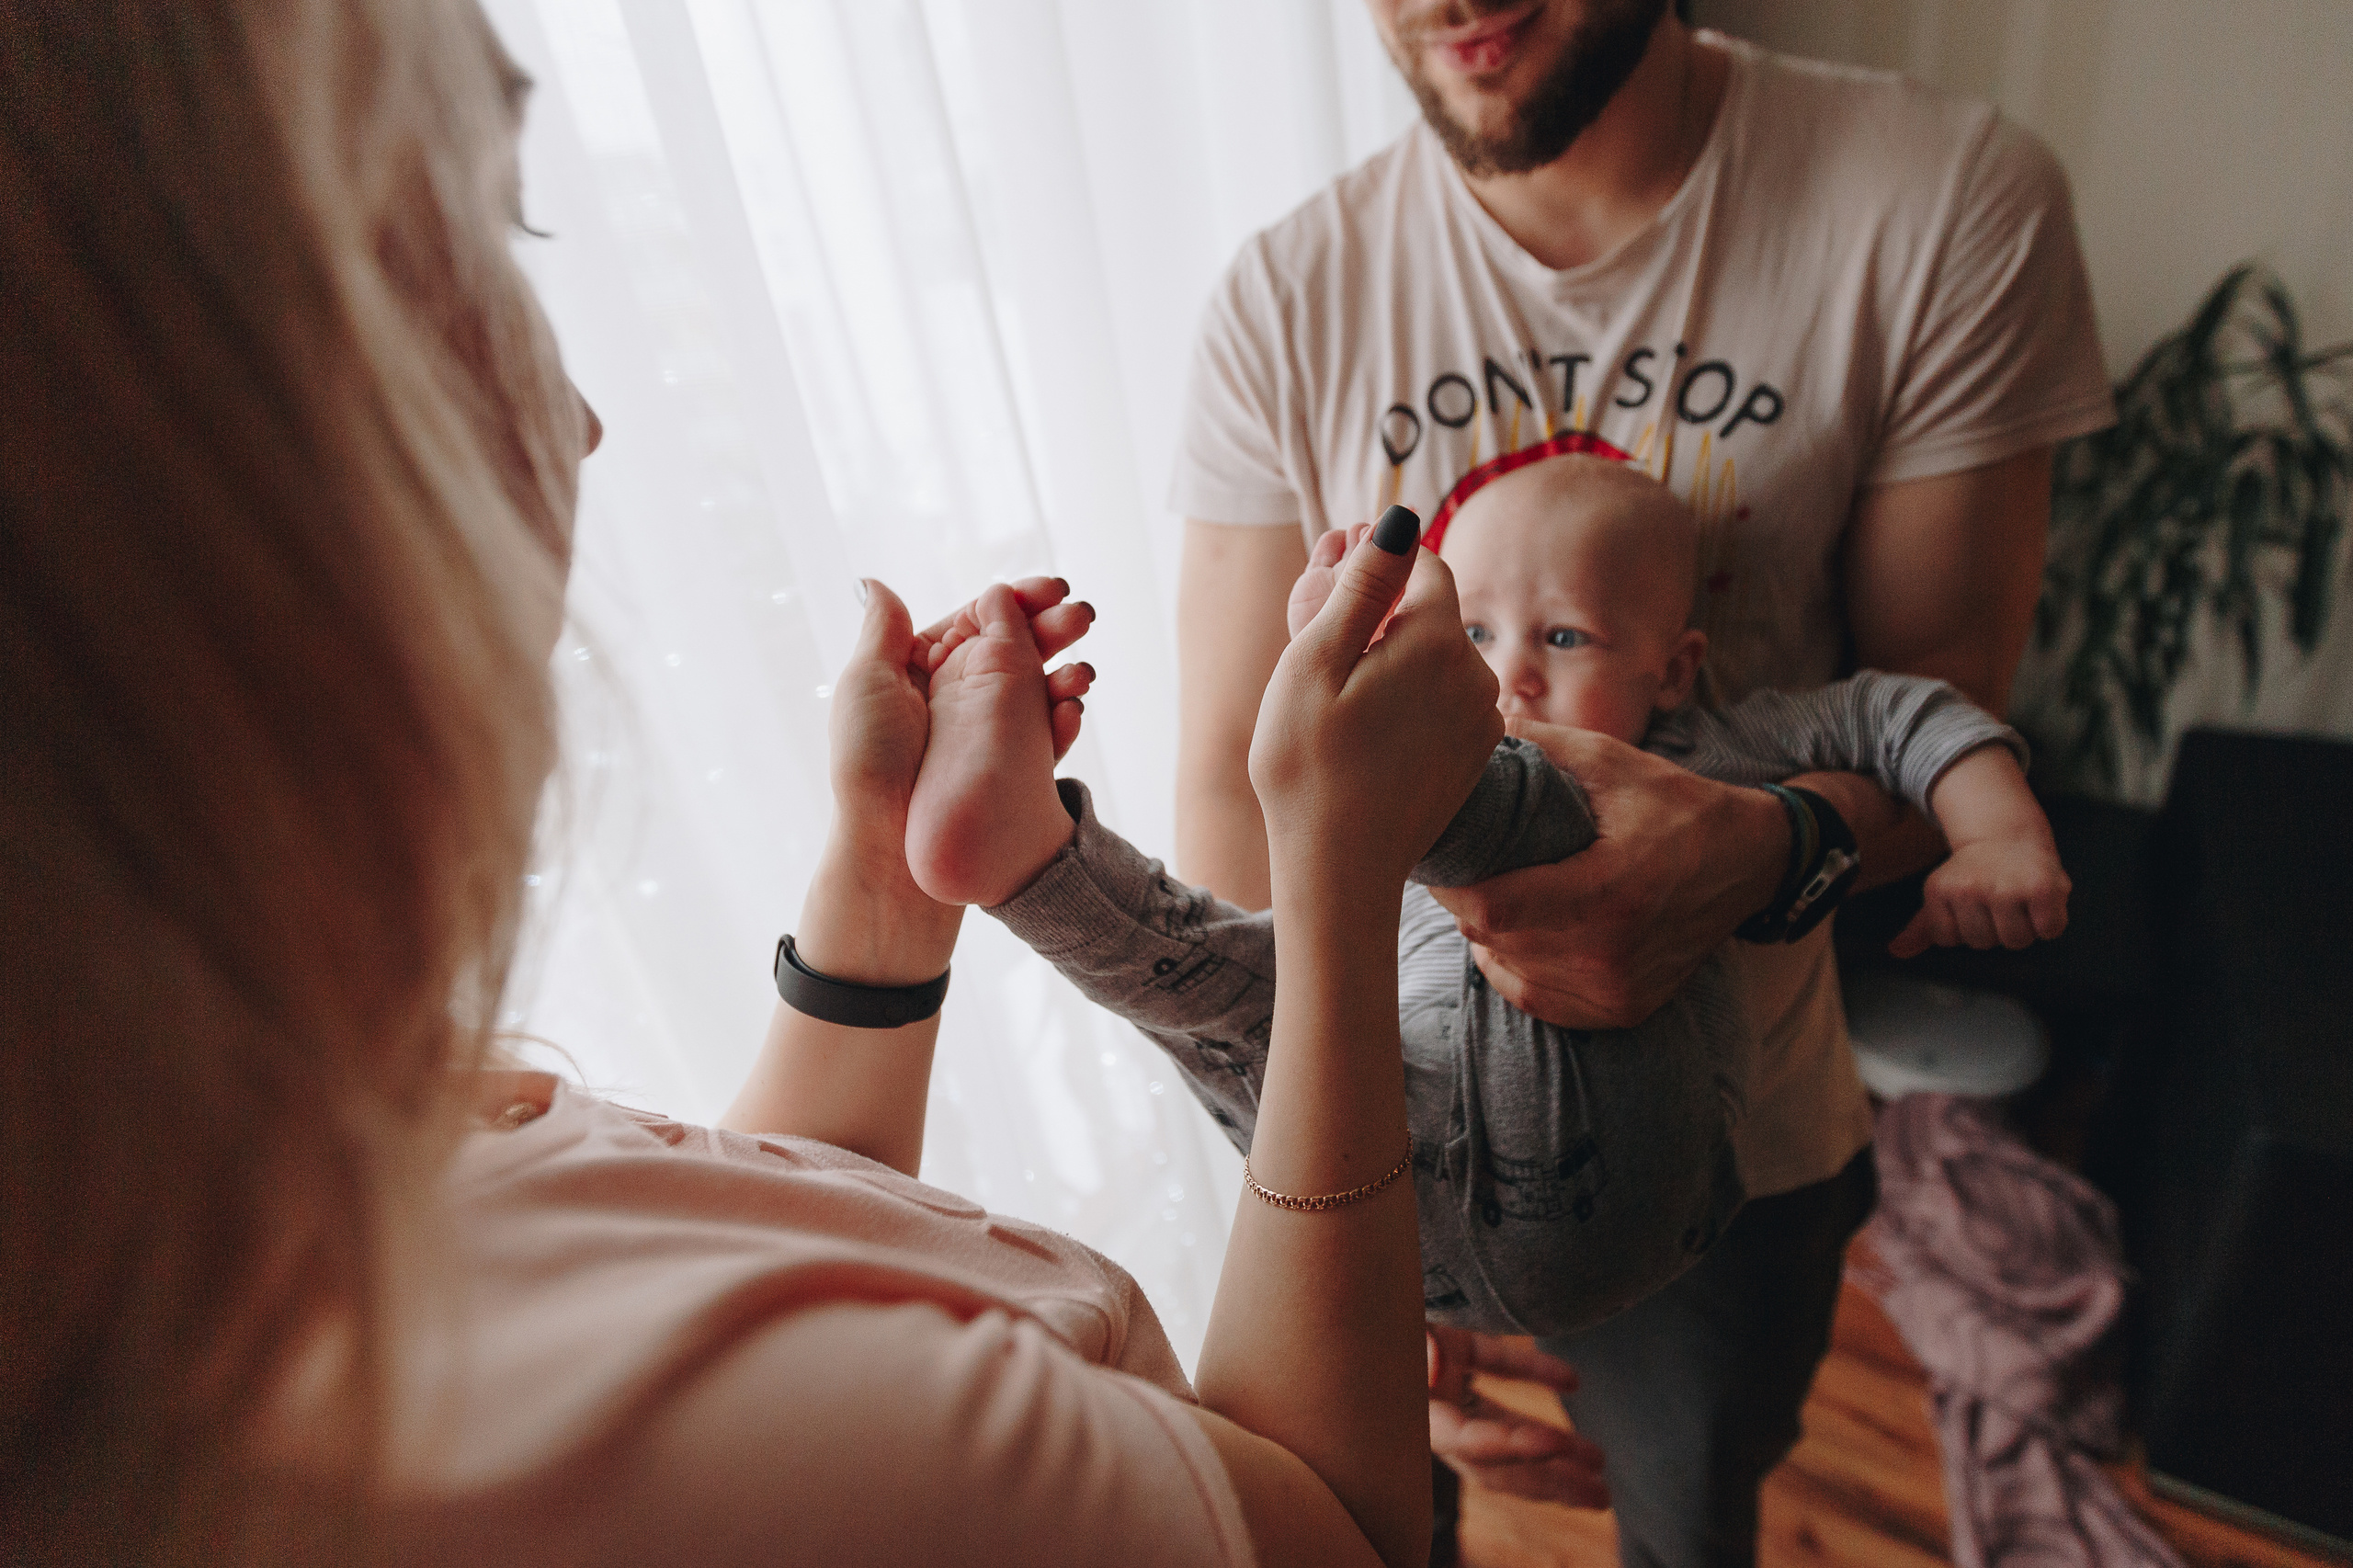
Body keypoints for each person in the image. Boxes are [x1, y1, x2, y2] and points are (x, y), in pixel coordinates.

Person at [0, 4, 1511, 1564]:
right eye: (493, 224)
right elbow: (1341, 1533)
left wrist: (881, 883)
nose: (586, 423)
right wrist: (1338, 878)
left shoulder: (232, 1171)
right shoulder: (713, 1445)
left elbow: (750, 1237)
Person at [1170, 1, 2114, 1555]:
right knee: (1380, 1525)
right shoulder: (1285, 298)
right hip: (1396, 1134)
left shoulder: (1941, 199)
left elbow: (1933, 709)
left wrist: (1762, 848)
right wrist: (1316, 1195)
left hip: (1736, 1159)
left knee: (1688, 1515)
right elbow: (1232, 783)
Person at [905, 459, 2066, 1344]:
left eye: (1563, 635)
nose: (1512, 671)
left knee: (1530, 792)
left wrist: (1996, 829)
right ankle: (1036, 869)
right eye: (1470, 634)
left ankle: (1386, 753)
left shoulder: (1708, 748)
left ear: (1670, 666)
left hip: (1614, 1183)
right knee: (1255, 983)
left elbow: (1900, 711)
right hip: (1378, 1196)